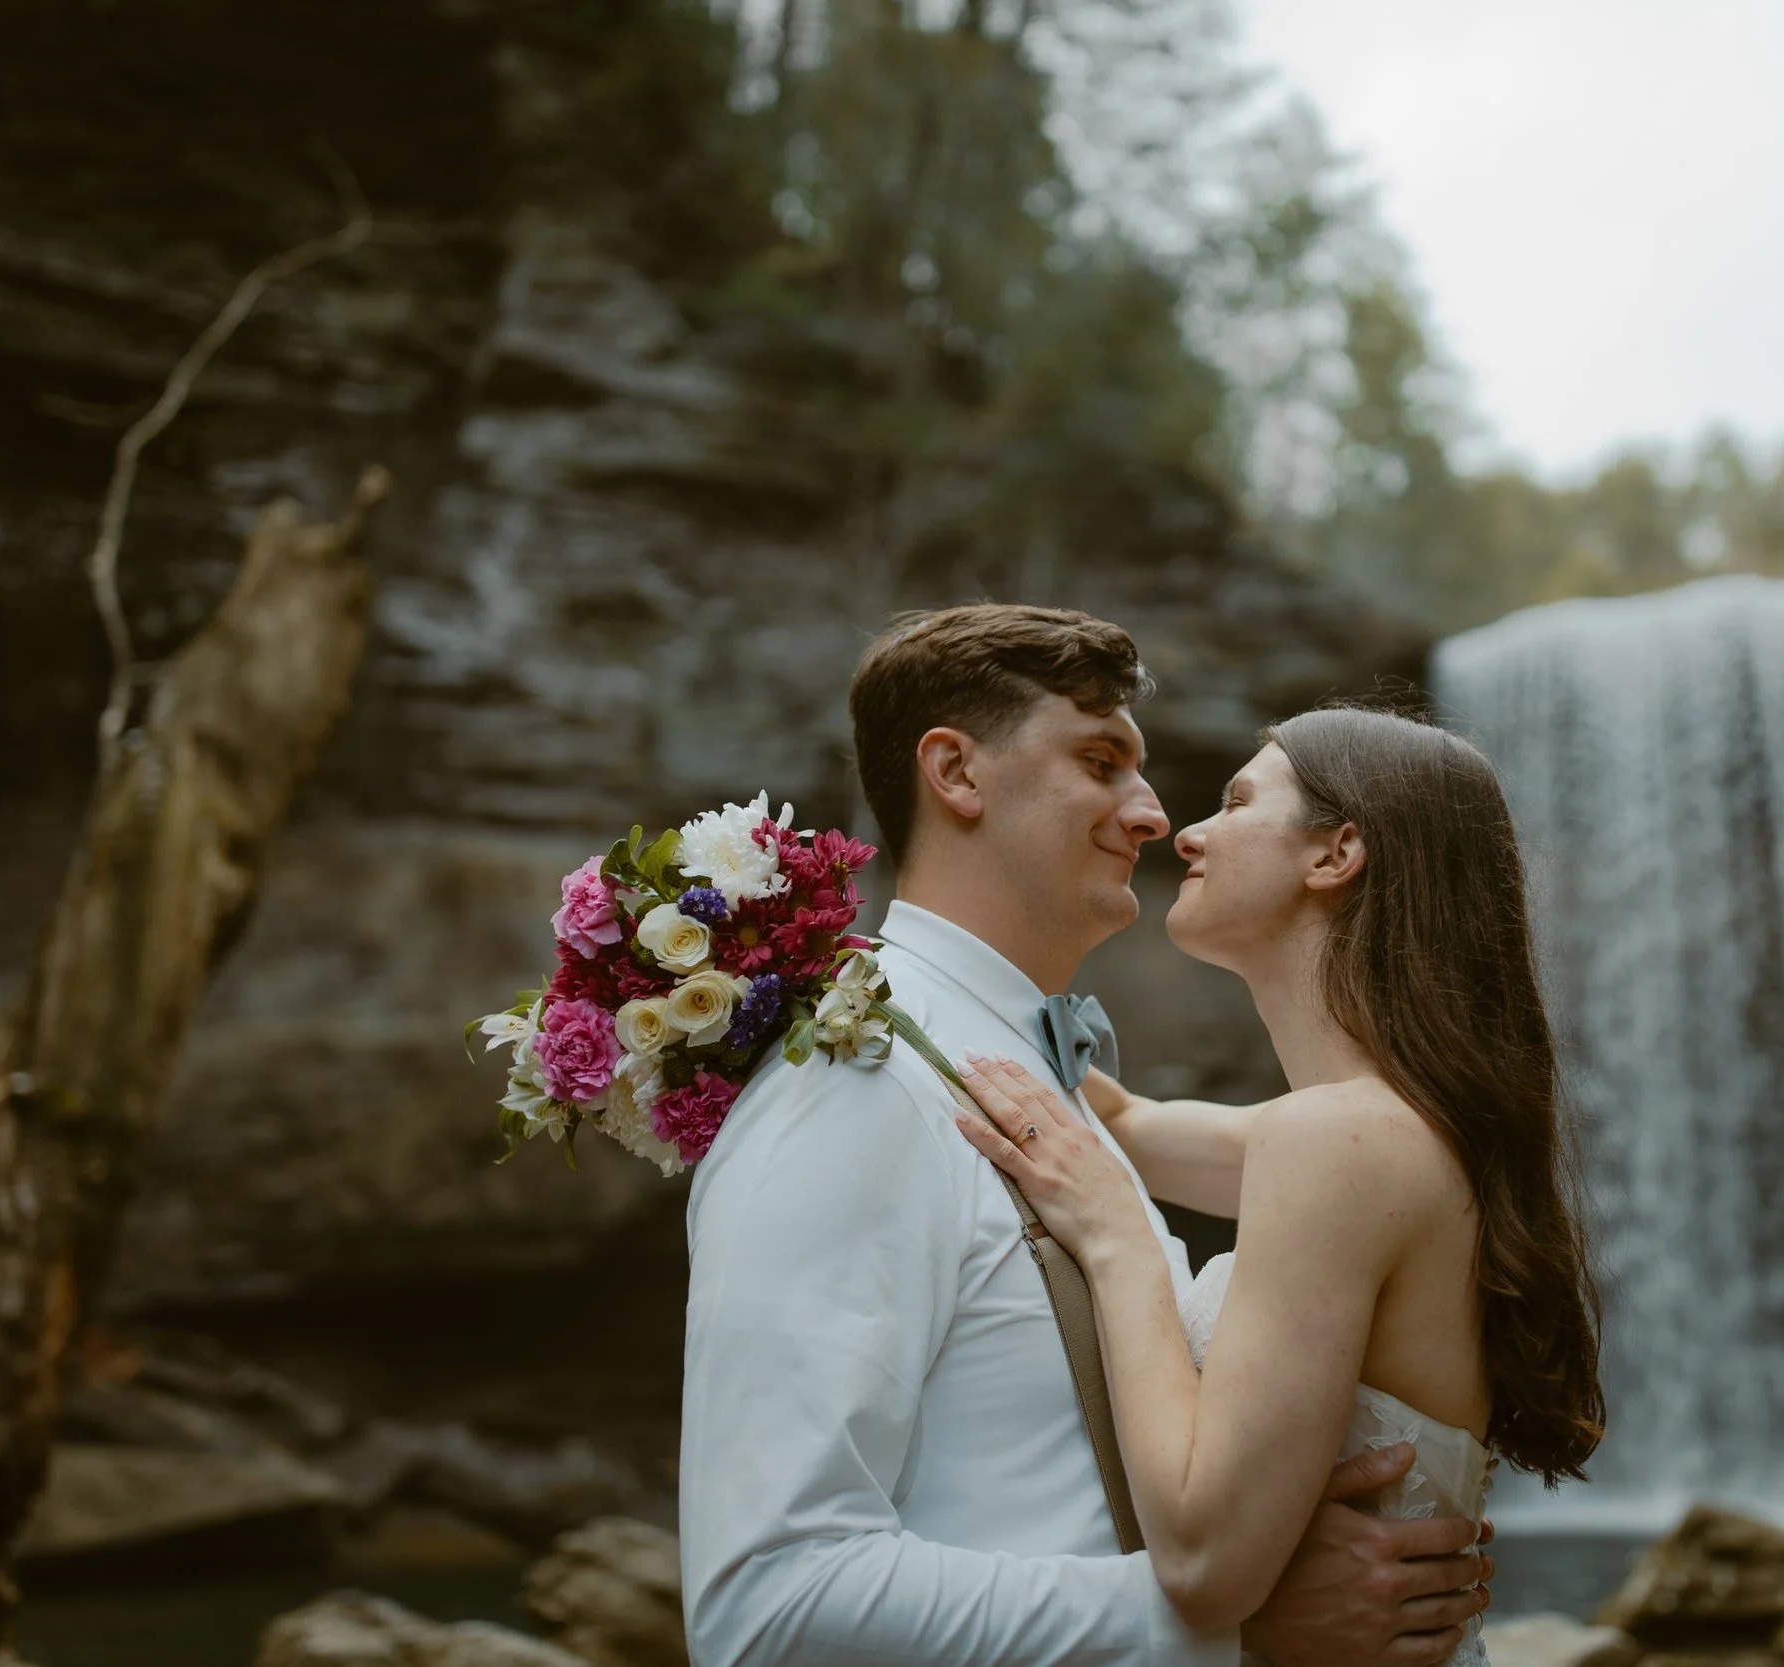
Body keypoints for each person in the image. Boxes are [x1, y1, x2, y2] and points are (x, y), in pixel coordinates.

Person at [680, 607, 1495, 1667]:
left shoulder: (1037, 1094)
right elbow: (765, 1606)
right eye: (1101, 761)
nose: (1158, 817)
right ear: (957, 774)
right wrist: (1223, 1631)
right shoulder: (854, 1078)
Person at [949, 706, 1605, 1665]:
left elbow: (1205, 1562)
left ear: (1336, 854)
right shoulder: (1396, 1128)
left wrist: (1120, 1237)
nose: (1188, 831)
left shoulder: (1338, 1138)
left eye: (1237, 800)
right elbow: (1124, 1125)